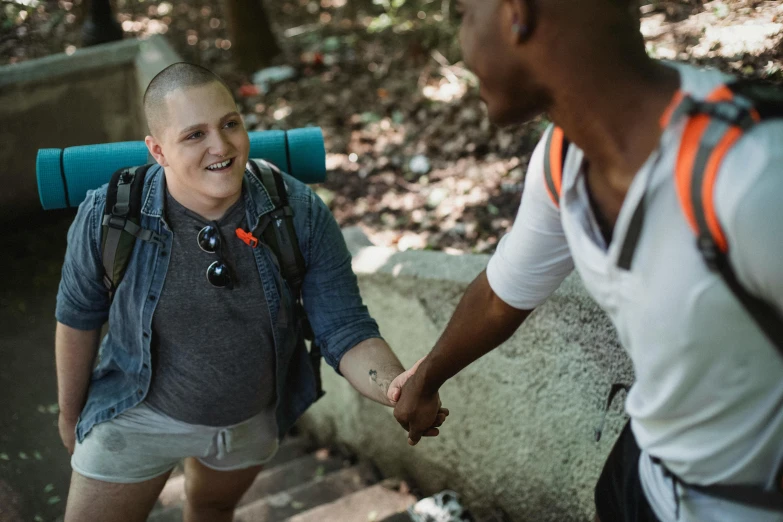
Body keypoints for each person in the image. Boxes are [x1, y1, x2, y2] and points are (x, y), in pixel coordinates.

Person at [392, 0, 783, 521]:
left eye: (463, 14)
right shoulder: (564, 158)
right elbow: (499, 294)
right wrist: (426, 377)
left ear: (515, 13)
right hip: (641, 475)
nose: (460, 48)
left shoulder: (751, 175)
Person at [54, 62, 447, 522]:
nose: (221, 146)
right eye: (194, 135)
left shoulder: (296, 211)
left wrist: (397, 387)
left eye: (230, 124)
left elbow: (345, 328)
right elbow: (78, 316)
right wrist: (69, 414)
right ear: (157, 151)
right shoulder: (109, 216)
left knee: (214, 509)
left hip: (247, 419)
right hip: (136, 413)